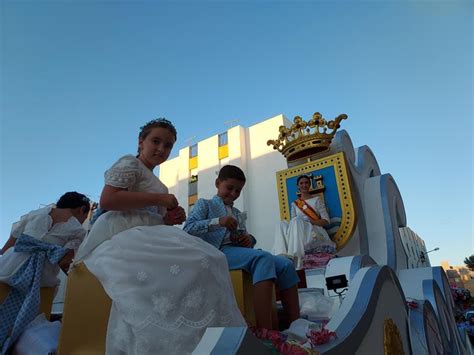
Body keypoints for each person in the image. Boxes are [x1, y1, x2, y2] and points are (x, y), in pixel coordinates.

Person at [74, 118, 245, 354]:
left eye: (167, 146)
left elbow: (154, 219)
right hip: (123, 233)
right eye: (156, 141)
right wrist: (159, 200)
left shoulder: (159, 184)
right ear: (141, 141)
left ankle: (202, 336)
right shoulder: (129, 165)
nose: (161, 149)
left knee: (211, 258)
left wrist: (170, 218)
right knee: (200, 261)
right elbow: (109, 200)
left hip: (149, 233)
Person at [183, 165, 300, 330]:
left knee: (286, 264)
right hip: (217, 252)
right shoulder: (205, 204)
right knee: (263, 258)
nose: (233, 194)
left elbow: (247, 237)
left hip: (238, 251)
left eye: (238, 191)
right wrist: (217, 221)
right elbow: (188, 229)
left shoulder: (237, 212)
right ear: (218, 183)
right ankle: (266, 330)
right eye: (229, 188)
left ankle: (296, 324)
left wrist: (248, 239)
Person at [0, 192, 90, 352]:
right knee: (29, 328)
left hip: (8, 268)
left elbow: (8, 246)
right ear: (82, 209)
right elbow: (65, 262)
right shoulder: (77, 229)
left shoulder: (34, 214)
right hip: (39, 280)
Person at [272, 175, 336, 269]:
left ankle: (297, 257)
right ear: (298, 186)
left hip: (313, 230)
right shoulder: (294, 204)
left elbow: (326, 221)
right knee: (281, 223)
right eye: (301, 183)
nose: (304, 185)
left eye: (306, 182)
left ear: (309, 185)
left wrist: (310, 221)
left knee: (297, 221)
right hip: (297, 229)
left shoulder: (317, 200)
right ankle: (280, 256)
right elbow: (293, 221)